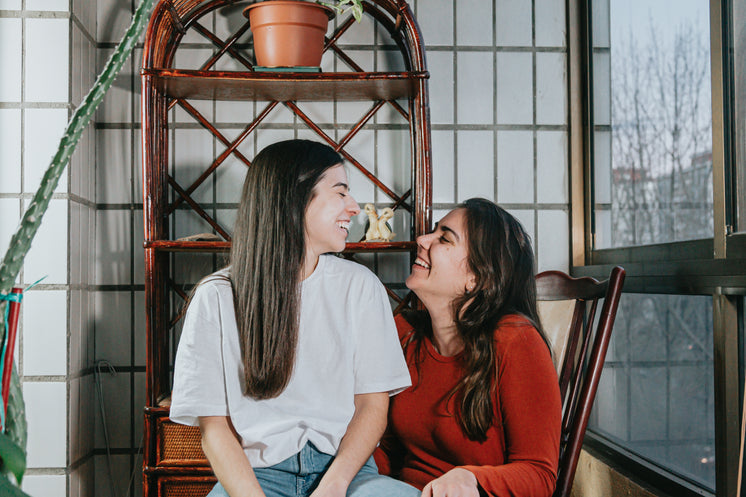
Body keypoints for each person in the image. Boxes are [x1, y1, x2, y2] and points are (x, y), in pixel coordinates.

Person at [169, 139, 418, 497]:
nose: (353, 207)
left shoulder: (361, 287)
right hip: (256, 478)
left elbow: (372, 405)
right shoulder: (216, 297)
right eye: (340, 192)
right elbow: (214, 428)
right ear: (296, 199)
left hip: (348, 473)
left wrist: (334, 485)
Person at [374, 198, 562, 497]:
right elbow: (387, 448)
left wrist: (470, 478)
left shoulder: (516, 341)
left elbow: (539, 475)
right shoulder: (404, 332)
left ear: (477, 278)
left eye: (444, 238)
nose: (422, 240)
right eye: (433, 232)